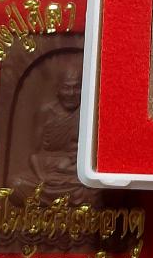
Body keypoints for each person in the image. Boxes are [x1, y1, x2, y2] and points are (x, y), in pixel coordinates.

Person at [11, 66, 101, 207]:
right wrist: (43, 177)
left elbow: (97, 157)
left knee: (100, 190)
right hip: (47, 171)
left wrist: (75, 164)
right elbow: (34, 153)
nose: (71, 93)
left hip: (75, 175)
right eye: (66, 88)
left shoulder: (91, 112)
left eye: (76, 88)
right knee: (16, 184)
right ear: (57, 89)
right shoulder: (46, 112)